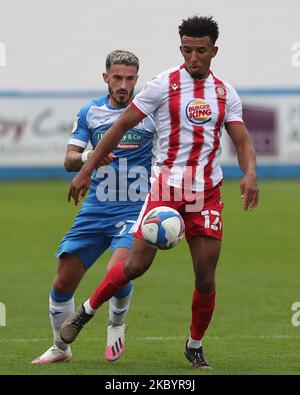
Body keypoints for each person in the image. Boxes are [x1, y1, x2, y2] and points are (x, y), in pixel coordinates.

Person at [61, 16, 259, 368]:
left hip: (205, 192)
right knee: (135, 265)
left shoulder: (225, 92)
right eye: (186, 50)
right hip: (166, 188)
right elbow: (122, 124)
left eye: (200, 51)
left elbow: (241, 140)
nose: (193, 57)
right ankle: (86, 311)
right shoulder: (163, 84)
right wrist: (86, 169)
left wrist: (250, 173)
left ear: (214, 50)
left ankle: (194, 344)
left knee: (206, 276)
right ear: (180, 47)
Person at [32, 50, 156, 364]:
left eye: (130, 78)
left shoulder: (151, 113)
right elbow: (69, 160)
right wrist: (90, 157)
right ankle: (61, 348)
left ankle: (116, 324)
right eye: (117, 77)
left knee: (118, 271)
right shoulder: (90, 112)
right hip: (96, 207)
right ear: (106, 78)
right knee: (63, 280)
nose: (124, 84)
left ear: (137, 80)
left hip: (134, 208)